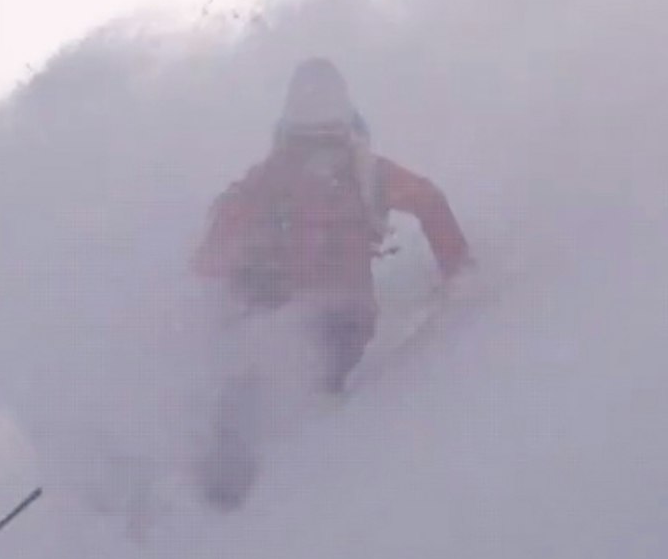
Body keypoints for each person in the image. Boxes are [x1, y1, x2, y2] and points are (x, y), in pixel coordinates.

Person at [191, 57, 471, 394]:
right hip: (348, 331)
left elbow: (208, 260)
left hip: (282, 327)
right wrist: (460, 273)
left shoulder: (263, 184)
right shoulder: (369, 174)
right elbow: (429, 201)